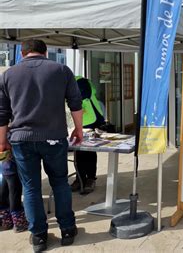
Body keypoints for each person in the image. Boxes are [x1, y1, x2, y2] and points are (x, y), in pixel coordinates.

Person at [0, 40, 83, 252]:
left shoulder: (8, 75)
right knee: (60, 183)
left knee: (30, 187)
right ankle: (67, 230)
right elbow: (75, 102)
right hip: (54, 137)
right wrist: (78, 129)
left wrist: (2, 141)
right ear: (45, 52)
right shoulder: (61, 70)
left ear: (22, 53)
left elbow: (2, 114)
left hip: (21, 138)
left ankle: (38, 236)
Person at [71, 76, 105, 194]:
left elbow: (80, 99)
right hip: (78, 121)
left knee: (88, 150)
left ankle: (90, 178)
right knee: (78, 151)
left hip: (90, 120)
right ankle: (80, 178)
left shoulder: (80, 82)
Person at [0, 150, 28, 232]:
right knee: (14, 193)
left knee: (4, 190)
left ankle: (6, 220)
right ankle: (19, 222)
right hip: (11, 163)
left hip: (5, 164)